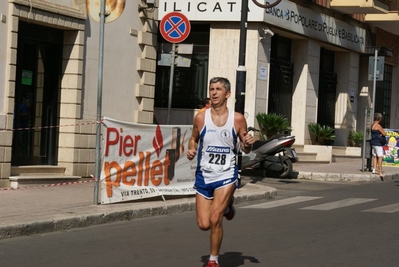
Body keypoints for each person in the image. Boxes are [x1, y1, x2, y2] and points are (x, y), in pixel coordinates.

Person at [186, 77, 254, 267]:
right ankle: (229, 208)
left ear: (228, 94)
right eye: (211, 89)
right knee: (204, 224)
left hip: (226, 174)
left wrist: (247, 144)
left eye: (218, 89)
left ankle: (213, 260)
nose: (214, 92)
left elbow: (245, 147)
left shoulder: (238, 119)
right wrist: (191, 148)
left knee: (215, 219)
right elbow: (193, 138)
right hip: (204, 174)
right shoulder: (201, 117)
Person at [370, 112, 386, 179]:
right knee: (380, 156)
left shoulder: (372, 124)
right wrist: (382, 134)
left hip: (373, 142)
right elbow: (384, 133)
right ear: (379, 119)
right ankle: (380, 171)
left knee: (375, 156)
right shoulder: (378, 126)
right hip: (378, 143)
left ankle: (374, 169)